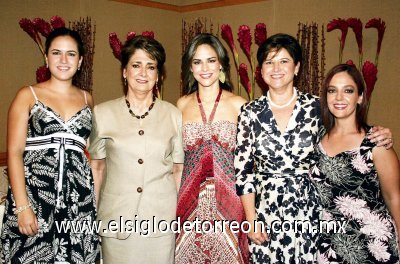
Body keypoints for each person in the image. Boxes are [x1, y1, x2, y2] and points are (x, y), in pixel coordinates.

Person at [234, 33, 393, 263]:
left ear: (297, 67)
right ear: (260, 70)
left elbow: (346, 132)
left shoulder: (316, 107)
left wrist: (378, 133)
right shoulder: (250, 112)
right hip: (266, 210)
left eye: (284, 61)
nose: (276, 68)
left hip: (312, 209)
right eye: (269, 62)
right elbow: (243, 171)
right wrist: (251, 218)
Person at [1, 28, 100, 263]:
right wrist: (22, 207)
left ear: (80, 61)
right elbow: (14, 154)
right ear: (47, 58)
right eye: (57, 53)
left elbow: (91, 154)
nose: (63, 60)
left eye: (71, 54)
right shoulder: (28, 95)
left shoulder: (88, 99)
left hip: (79, 200)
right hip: (34, 197)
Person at [89, 35, 184, 263]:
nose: (143, 73)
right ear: (124, 71)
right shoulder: (102, 114)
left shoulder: (173, 114)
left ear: (159, 75)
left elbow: (178, 170)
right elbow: (97, 167)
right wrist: (93, 212)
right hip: (116, 220)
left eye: (151, 67)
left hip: (160, 221)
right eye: (136, 65)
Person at [310, 64, 400, 263]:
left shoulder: (376, 143)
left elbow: (394, 199)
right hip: (329, 248)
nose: (339, 98)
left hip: (375, 249)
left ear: (360, 97)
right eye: (332, 91)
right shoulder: (315, 140)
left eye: (348, 91)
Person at [175, 33, 249, 263]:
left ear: (221, 64)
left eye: (211, 60)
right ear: (190, 67)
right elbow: (177, 163)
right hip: (189, 203)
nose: (204, 68)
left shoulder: (239, 104)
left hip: (231, 204)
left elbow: (250, 164)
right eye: (197, 62)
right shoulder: (181, 105)